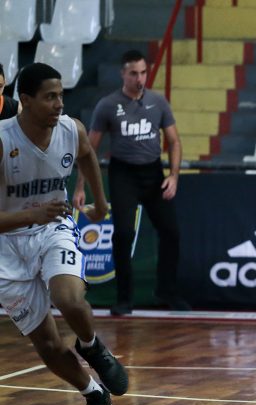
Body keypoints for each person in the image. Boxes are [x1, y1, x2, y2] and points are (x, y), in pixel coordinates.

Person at [0, 63, 129, 405]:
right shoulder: (3, 140)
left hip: (53, 229)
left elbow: (87, 154)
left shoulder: (72, 129)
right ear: (26, 100)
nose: (59, 104)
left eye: (61, 96)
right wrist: (32, 213)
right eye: (50, 97)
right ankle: (94, 395)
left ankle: (91, 345)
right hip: (7, 247)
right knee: (47, 345)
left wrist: (99, 202)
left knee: (70, 300)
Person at [73, 49, 188, 316]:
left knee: (171, 232)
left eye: (144, 72)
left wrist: (173, 175)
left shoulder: (158, 102)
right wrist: (80, 186)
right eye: (134, 73)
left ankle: (167, 290)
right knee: (124, 233)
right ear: (123, 74)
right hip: (123, 173)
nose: (140, 78)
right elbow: (90, 148)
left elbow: (174, 141)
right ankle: (124, 298)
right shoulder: (108, 105)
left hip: (153, 172)